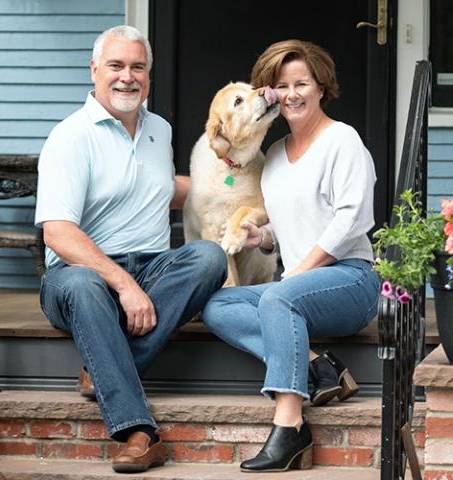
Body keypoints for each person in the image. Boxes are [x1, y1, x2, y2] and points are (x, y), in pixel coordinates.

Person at [35, 25, 227, 473]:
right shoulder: (71, 137)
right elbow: (58, 234)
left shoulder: (159, 129)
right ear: (94, 70)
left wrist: (240, 184)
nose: (127, 77)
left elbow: (166, 190)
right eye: (116, 66)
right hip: (80, 275)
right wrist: (122, 283)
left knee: (209, 257)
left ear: (149, 74)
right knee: (84, 284)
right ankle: (138, 431)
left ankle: (101, 364)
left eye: (137, 67)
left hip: (153, 268)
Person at [202, 39, 380, 473]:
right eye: (282, 85)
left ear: (322, 87)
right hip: (297, 290)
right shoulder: (276, 154)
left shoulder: (343, 140)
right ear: (271, 92)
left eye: (303, 83)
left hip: (350, 280)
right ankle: (321, 367)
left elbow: (351, 220)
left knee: (276, 298)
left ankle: (290, 426)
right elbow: (283, 229)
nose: (293, 93)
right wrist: (260, 237)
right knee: (216, 304)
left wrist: (297, 273)